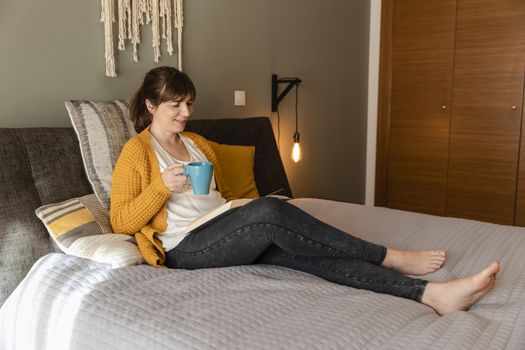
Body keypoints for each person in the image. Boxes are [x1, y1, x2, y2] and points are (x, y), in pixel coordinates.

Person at [110, 66, 500, 316]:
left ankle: (430, 294)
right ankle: (390, 257)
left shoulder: (198, 143)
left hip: (223, 227)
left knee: (308, 252)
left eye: (189, 104)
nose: (185, 113)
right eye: (175, 105)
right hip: (184, 247)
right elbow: (120, 220)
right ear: (150, 105)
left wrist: (238, 209)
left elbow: (222, 198)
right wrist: (161, 187)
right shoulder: (137, 151)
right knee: (270, 211)